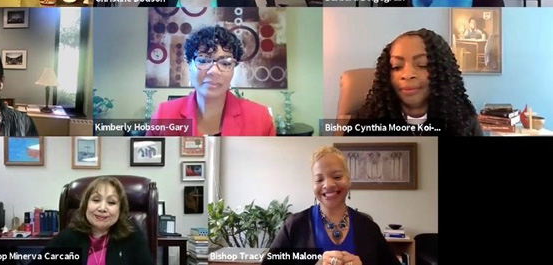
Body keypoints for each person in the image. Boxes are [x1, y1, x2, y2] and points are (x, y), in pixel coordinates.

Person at [263, 146, 401, 265]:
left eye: (337, 177)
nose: (328, 185)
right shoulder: (294, 226)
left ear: (349, 180)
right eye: (319, 179)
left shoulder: (368, 227)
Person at [346, 28, 482, 136]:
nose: (407, 75)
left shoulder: (464, 120)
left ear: (441, 72)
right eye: (397, 67)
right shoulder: (364, 121)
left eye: (422, 65)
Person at [148, 25, 274, 136]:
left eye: (225, 63)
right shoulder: (164, 115)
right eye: (203, 60)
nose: (213, 71)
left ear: (233, 69)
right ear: (189, 65)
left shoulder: (260, 118)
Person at [37, 177, 154, 265]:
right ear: (86, 205)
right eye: (96, 200)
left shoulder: (132, 237)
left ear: (120, 210)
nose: (102, 208)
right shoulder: (68, 237)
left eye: (111, 202)